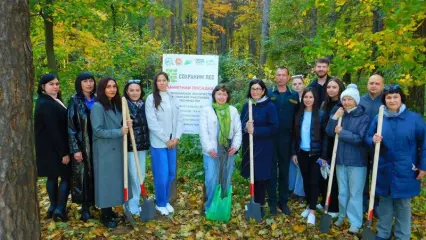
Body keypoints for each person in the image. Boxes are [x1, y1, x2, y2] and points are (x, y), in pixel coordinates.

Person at [365, 85, 425, 240]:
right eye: (388, 97)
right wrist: (372, 140)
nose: (392, 100)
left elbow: (424, 143)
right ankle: (383, 233)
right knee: (385, 203)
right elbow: (368, 136)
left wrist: (423, 167)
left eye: (395, 97)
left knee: (403, 205)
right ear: (384, 100)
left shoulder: (414, 119)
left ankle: (402, 236)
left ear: (401, 98)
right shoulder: (379, 118)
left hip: (406, 169)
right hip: (384, 168)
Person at [325, 84, 370, 233]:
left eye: (349, 99)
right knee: (342, 192)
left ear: (356, 101)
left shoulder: (364, 117)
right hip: (340, 160)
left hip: (357, 162)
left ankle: (355, 222)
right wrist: (334, 118)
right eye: (344, 99)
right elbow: (329, 132)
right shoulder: (341, 114)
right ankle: (342, 215)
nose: (346, 102)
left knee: (355, 193)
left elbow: (360, 138)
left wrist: (342, 132)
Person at [91, 77, 132, 228]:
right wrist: (119, 131)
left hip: (116, 149)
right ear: (102, 89)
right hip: (105, 150)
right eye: (108, 87)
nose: (112, 89)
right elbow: (97, 130)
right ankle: (105, 215)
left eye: (114, 86)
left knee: (114, 182)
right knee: (105, 182)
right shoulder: (97, 106)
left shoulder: (116, 104)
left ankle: (110, 211)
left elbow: (119, 124)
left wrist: (127, 123)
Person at [199, 84, 242, 211]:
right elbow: (203, 131)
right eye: (219, 94)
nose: (221, 97)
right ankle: (210, 206)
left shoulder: (233, 111)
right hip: (212, 151)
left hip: (227, 150)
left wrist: (235, 146)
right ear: (214, 96)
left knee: (225, 178)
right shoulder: (207, 110)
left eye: (224, 94)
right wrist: (209, 149)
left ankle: (222, 206)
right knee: (211, 179)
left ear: (228, 96)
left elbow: (238, 131)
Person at [146, 72, 183, 216]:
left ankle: (165, 200)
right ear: (156, 83)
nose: (161, 83)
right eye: (159, 81)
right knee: (161, 174)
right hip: (159, 143)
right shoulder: (151, 99)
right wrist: (165, 139)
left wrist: (176, 138)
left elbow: (180, 119)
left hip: (172, 143)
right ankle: (160, 203)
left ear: (168, 82)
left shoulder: (173, 98)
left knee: (171, 173)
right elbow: (152, 123)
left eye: (164, 80)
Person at [34, 73, 71, 222]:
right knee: (66, 176)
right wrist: (64, 152)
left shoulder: (51, 100)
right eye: (51, 84)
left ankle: (53, 207)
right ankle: (59, 208)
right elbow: (53, 129)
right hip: (54, 147)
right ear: (43, 87)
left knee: (52, 176)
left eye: (57, 84)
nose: (55, 86)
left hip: (49, 147)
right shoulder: (46, 103)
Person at [241, 79, 279, 218]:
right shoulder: (247, 105)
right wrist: (245, 127)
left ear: (263, 91)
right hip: (250, 146)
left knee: (261, 177)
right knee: (253, 176)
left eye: (258, 89)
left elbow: (274, 127)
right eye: (253, 89)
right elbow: (241, 123)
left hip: (264, 147)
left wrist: (255, 130)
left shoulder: (270, 106)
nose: (255, 91)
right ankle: (253, 202)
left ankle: (260, 205)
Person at [292, 88, 327, 225]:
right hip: (302, 153)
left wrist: (324, 156)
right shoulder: (298, 114)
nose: (308, 99)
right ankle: (309, 204)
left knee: (314, 181)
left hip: (316, 154)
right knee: (306, 181)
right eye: (305, 97)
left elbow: (325, 138)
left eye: (311, 97)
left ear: (315, 99)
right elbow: (294, 136)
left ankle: (312, 211)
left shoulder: (321, 115)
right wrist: (294, 152)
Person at [267, 67, 299, 215]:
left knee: (285, 172)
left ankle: (283, 202)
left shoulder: (294, 96)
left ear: (288, 77)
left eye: (283, 75)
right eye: (278, 75)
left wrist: (294, 146)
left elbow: (297, 120)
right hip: (270, 139)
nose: (280, 78)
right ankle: (272, 203)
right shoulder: (268, 93)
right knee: (272, 171)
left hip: (287, 139)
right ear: (275, 77)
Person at [68, 72, 97, 222]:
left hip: (98, 144)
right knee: (83, 176)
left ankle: (95, 202)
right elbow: (71, 127)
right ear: (80, 83)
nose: (89, 84)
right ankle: (85, 207)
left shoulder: (98, 99)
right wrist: (75, 149)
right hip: (82, 143)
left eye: (91, 80)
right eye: (85, 81)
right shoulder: (74, 101)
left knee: (96, 174)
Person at [318, 77, 346, 217]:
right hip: (324, 143)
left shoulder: (342, 105)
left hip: (334, 145)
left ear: (340, 88)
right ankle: (324, 201)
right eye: (329, 87)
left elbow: (333, 129)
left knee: (333, 178)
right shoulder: (325, 104)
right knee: (324, 174)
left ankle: (334, 207)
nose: (331, 90)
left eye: (334, 87)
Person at [123, 79, 150, 215]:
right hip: (130, 146)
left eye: (137, 90)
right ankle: (130, 204)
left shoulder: (145, 104)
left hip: (142, 145)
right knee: (133, 175)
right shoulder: (123, 104)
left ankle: (136, 202)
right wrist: (125, 123)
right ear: (127, 91)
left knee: (141, 174)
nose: (134, 93)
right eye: (131, 90)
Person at [359, 74, 384, 212]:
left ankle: (377, 204)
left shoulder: (386, 101)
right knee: (363, 175)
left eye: (377, 83)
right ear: (367, 84)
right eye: (371, 83)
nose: (373, 86)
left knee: (378, 175)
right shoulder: (360, 101)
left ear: (382, 86)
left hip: (380, 146)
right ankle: (363, 202)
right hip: (362, 145)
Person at [289, 74, 306, 200]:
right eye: (294, 84)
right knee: (292, 162)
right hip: (290, 132)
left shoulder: (307, 98)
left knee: (301, 162)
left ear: (303, 84)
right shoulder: (291, 98)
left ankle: (300, 191)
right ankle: (292, 189)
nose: (297, 86)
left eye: (299, 83)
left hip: (302, 133)